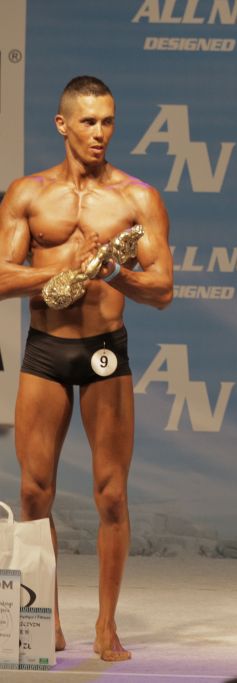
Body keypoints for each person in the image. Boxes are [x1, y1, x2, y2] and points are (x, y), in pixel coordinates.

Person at [0, 75, 173, 661]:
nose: (100, 133)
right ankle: (42, 619)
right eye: (89, 122)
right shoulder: (28, 194)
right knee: (33, 492)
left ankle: (105, 624)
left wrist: (112, 272)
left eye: (108, 121)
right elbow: (1, 276)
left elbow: (163, 289)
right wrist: (64, 269)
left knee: (111, 495)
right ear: (63, 125)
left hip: (105, 353)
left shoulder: (137, 198)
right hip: (45, 352)